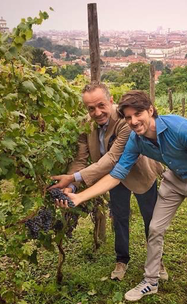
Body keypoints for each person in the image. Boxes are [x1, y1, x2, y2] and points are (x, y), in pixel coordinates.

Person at [57, 90, 187, 304]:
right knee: (154, 228)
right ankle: (151, 281)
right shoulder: (136, 140)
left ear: (150, 110)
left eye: (138, 114)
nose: (133, 121)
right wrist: (79, 197)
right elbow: (116, 173)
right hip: (174, 179)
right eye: (128, 117)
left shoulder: (180, 128)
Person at [50, 83, 167, 281]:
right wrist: (70, 185)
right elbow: (80, 159)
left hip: (139, 174)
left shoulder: (124, 120)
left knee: (151, 220)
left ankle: (157, 260)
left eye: (101, 105)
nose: (97, 112)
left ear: (111, 100)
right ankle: (122, 260)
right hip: (111, 180)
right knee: (119, 217)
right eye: (91, 108)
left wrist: (74, 178)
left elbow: (112, 158)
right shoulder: (84, 124)